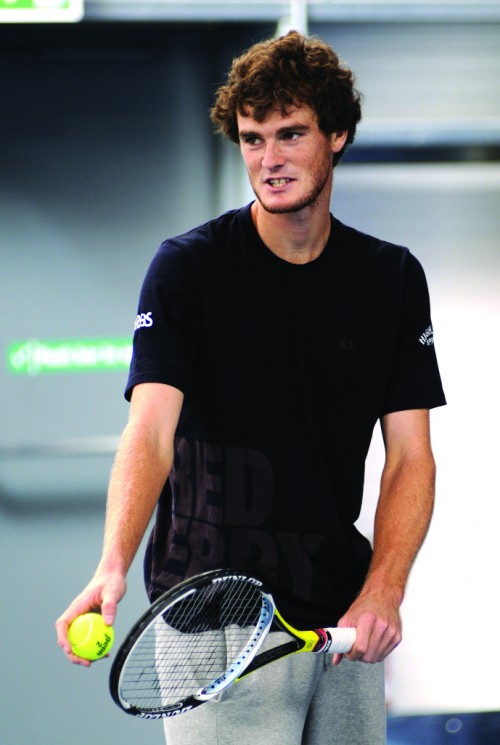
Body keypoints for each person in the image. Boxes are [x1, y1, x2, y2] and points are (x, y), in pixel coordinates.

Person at [56, 30, 446, 744]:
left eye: (290, 134)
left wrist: (384, 588)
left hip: (340, 624)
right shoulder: (187, 269)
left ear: (338, 134)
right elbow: (150, 431)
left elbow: (411, 456)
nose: (269, 159)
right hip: (213, 616)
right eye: (252, 139)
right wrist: (113, 563)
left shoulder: (391, 278)